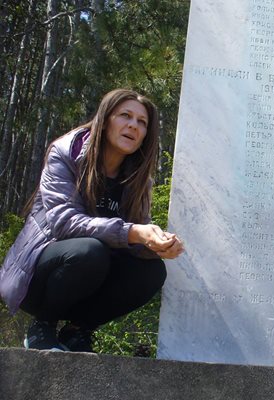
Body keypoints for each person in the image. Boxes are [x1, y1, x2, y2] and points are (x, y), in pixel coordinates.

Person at [0, 88, 184, 352]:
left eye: (141, 122)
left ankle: (77, 332)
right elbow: (63, 222)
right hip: (39, 276)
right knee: (90, 251)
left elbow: (133, 237)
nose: (133, 125)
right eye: (125, 116)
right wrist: (134, 232)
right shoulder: (66, 153)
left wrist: (157, 245)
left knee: (151, 271)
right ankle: (42, 328)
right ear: (105, 119)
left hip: (90, 280)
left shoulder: (138, 180)